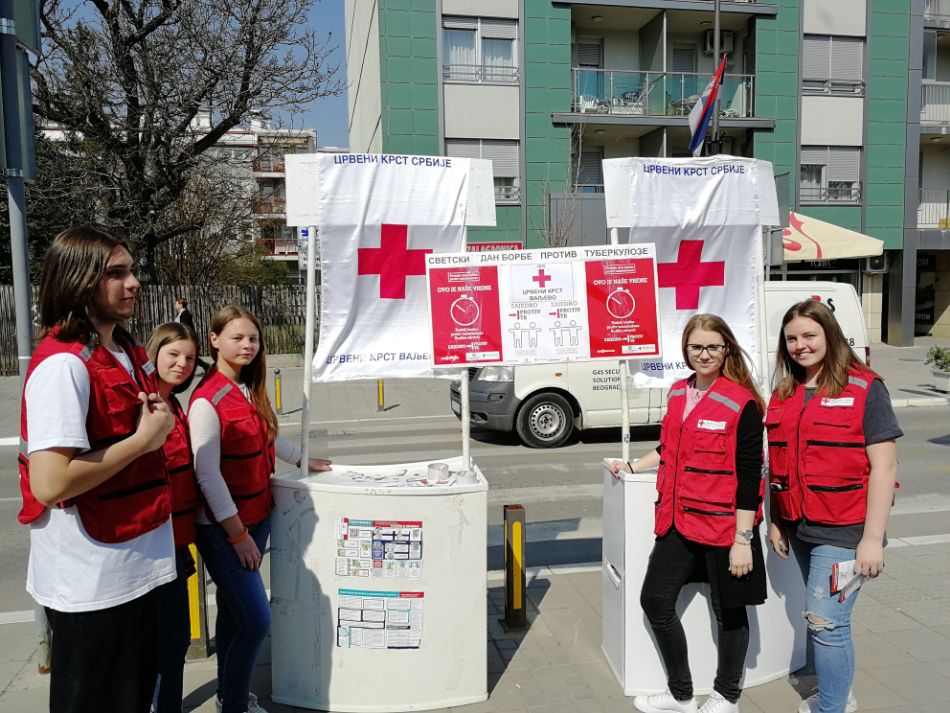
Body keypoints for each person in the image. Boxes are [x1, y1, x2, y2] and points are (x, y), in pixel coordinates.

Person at [19, 226, 176, 713]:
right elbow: (50, 482)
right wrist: (143, 441)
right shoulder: (63, 367)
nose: (133, 282)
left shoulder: (125, 350)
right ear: (78, 280)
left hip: (139, 564)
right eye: (116, 273)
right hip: (93, 583)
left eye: (132, 270)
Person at [609, 314, 766, 713]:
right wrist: (633, 466)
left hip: (724, 527)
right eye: (696, 346)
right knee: (655, 600)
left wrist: (743, 539)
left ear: (727, 349)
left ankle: (726, 696)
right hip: (678, 521)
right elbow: (670, 447)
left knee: (729, 612)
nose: (704, 354)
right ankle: (681, 694)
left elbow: (750, 476)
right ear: (686, 349)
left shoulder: (742, 402)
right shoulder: (679, 391)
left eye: (713, 346)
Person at [189, 305, 332, 713]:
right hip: (224, 530)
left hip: (256, 516)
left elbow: (267, 438)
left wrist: (303, 459)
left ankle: (227, 695)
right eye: (237, 338)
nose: (247, 345)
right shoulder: (207, 401)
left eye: (253, 338)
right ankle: (235, 703)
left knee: (233, 615)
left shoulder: (247, 388)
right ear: (214, 340)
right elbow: (207, 475)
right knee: (256, 621)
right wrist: (237, 535)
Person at [766, 300, 901, 713]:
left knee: (825, 622)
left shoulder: (865, 388)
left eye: (809, 335)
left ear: (830, 334)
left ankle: (833, 706)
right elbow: (778, 462)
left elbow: (884, 467)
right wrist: (776, 520)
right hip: (799, 525)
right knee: (824, 617)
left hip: (845, 529)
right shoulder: (785, 392)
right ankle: (839, 693)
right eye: (792, 339)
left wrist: (872, 539)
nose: (800, 345)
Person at [147, 322, 202, 713]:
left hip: (176, 543)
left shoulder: (175, 404)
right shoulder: (144, 406)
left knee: (176, 639)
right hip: (151, 545)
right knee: (163, 641)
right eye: (173, 355)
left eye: (190, 358)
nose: (182, 364)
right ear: (154, 354)